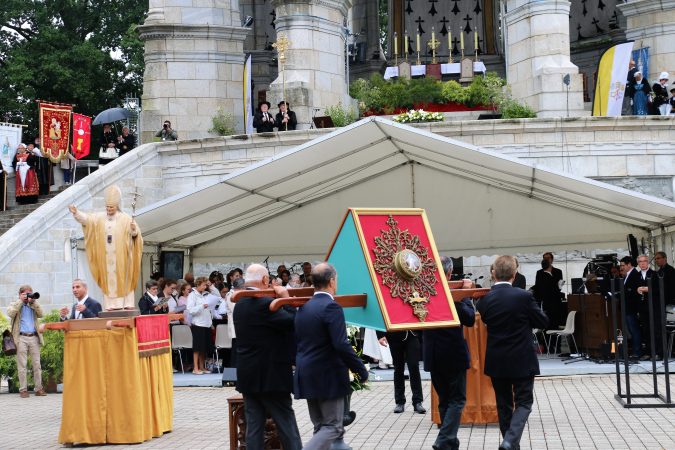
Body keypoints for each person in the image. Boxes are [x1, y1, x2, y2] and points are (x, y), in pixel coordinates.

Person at [476, 256, 548, 450]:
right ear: (514, 275)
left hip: (497, 359)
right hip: (522, 358)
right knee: (524, 402)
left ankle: (510, 444)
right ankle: (510, 441)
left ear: (493, 274)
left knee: (503, 404)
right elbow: (542, 321)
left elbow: (486, 319)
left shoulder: (485, 299)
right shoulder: (523, 297)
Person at [294, 263, 369, 450]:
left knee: (320, 427)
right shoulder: (331, 307)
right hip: (326, 374)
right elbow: (341, 344)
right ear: (332, 281)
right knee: (333, 427)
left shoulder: (304, 308)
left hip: (307, 371)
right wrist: (360, 369)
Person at [233, 264, 302, 450]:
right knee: (286, 423)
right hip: (272, 375)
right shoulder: (265, 304)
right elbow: (292, 321)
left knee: (254, 426)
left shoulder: (239, 305)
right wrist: (285, 298)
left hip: (248, 374)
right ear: (265, 280)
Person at [425, 256, 476, 450]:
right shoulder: (451, 296)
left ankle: (450, 442)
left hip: (433, 353)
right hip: (453, 354)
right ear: (449, 273)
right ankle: (444, 439)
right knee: (457, 399)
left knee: (445, 399)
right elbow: (470, 318)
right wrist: (466, 294)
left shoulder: (424, 293)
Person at [69, 184, 143, 310]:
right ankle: (111, 305)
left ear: (117, 206)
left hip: (122, 257)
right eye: (107, 207)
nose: (109, 209)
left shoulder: (125, 218)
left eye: (111, 207)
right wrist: (76, 213)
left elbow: (136, 236)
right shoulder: (99, 217)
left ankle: (126, 303)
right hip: (105, 257)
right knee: (108, 281)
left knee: (124, 279)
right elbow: (87, 220)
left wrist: (133, 230)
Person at [7, 285, 47, 398]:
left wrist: (33, 302)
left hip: (34, 337)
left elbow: (41, 314)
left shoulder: (32, 305)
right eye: (25, 293)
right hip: (21, 338)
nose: (28, 295)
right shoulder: (14, 304)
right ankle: (23, 390)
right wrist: (21, 301)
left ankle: (39, 389)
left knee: (37, 365)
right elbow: (10, 313)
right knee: (22, 365)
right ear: (20, 294)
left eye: (30, 293)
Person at [377, 328, 425, 414]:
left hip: (412, 333)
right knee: (398, 368)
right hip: (394, 334)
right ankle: (400, 402)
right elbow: (381, 318)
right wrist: (380, 335)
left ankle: (417, 401)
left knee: (414, 367)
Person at [533, 252, 564, 350]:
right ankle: (548, 347)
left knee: (556, 324)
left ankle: (557, 346)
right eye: (544, 258)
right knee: (547, 324)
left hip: (556, 301)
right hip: (546, 302)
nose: (546, 259)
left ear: (552, 259)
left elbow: (559, 286)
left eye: (548, 258)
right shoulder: (540, 273)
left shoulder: (558, 271)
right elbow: (538, 287)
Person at [635, 255, 661, 359]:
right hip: (642, 307)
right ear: (638, 263)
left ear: (648, 262)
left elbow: (659, 289)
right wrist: (637, 290)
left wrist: (648, 289)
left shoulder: (655, 274)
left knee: (656, 329)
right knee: (646, 329)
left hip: (654, 306)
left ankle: (658, 353)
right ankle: (648, 352)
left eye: (644, 261)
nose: (642, 263)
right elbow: (633, 289)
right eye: (640, 261)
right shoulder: (636, 275)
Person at [187, 276, 212, 375]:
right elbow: (190, 310)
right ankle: (195, 368)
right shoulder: (192, 295)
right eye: (203, 285)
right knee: (197, 347)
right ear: (198, 284)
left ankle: (202, 367)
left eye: (206, 285)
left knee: (203, 348)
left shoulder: (206, 294)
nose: (205, 287)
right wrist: (202, 306)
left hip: (206, 323)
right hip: (198, 324)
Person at [619, 256, 643, 358]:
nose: (621, 267)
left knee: (634, 330)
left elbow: (635, 293)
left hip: (632, 308)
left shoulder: (635, 274)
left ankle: (637, 352)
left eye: (623, 265)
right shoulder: (627, 275)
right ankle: (635, 351)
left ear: (629, 264)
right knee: (631, 330)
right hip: (627, 307)